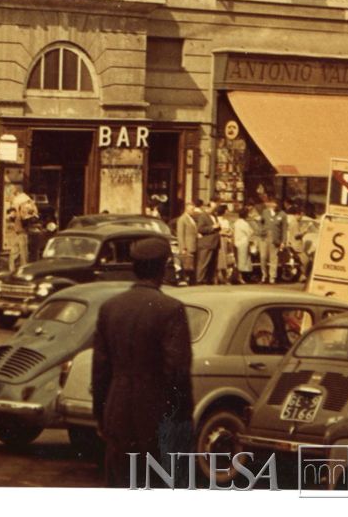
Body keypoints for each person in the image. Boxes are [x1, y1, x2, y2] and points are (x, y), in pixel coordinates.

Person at [91, 234, 194, 487]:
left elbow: (100, 370)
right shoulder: (170, 309)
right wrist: (182, 420)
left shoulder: (110, 307)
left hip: (117, 412)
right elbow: (177, 372)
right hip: (156, 415)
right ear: (162, 268)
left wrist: (101, 415)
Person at [194, 201, 221, 284]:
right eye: (213, 208)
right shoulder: (203, 216)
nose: (214, 210)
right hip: (206, 243)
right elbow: (200, 229)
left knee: (212, 263)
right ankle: (200, 279)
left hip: (214, 243)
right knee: (203, 262)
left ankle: (209, 279)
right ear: (207, 208)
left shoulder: (214, 216)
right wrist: (212, 227)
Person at [173, 201, 198, 280]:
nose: (193, 211)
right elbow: (180, 234)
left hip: (193, 244)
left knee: (191, 263)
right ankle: (185, 278)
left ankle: (190, 279)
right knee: (186, 263)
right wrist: (183, 247)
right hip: (187, 245)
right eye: (191, 209)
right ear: (186, 209)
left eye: (193, 209)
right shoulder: (182, 219)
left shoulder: (192, 219)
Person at [234, 205, 258, 282]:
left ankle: (240, 276)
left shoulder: (236, 223)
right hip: (243, 243)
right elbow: (250, 232)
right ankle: (240, 277)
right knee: (243, 260)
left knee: (238, 260)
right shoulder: (245, 224)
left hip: (236, 242)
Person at [214, 204, 236, 283]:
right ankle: (217, 278)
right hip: (219, 241)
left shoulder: (226, 221)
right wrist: (224, 232)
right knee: (219, 259)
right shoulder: (217, 220)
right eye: (226, 210)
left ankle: (225, 278)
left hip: (226, 241)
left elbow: (230, 231)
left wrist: (229, 233)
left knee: (227, 260)